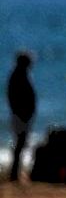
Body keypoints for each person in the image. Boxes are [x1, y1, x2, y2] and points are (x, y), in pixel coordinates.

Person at [7, 51, 36, 183]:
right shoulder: (18, 76)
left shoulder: (20, 75)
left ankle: (16, 172)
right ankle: (14, 173)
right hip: (20, 115)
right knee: (20, 142)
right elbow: (13, 96)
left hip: (22, 114)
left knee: (21, 143)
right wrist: (20, 112)